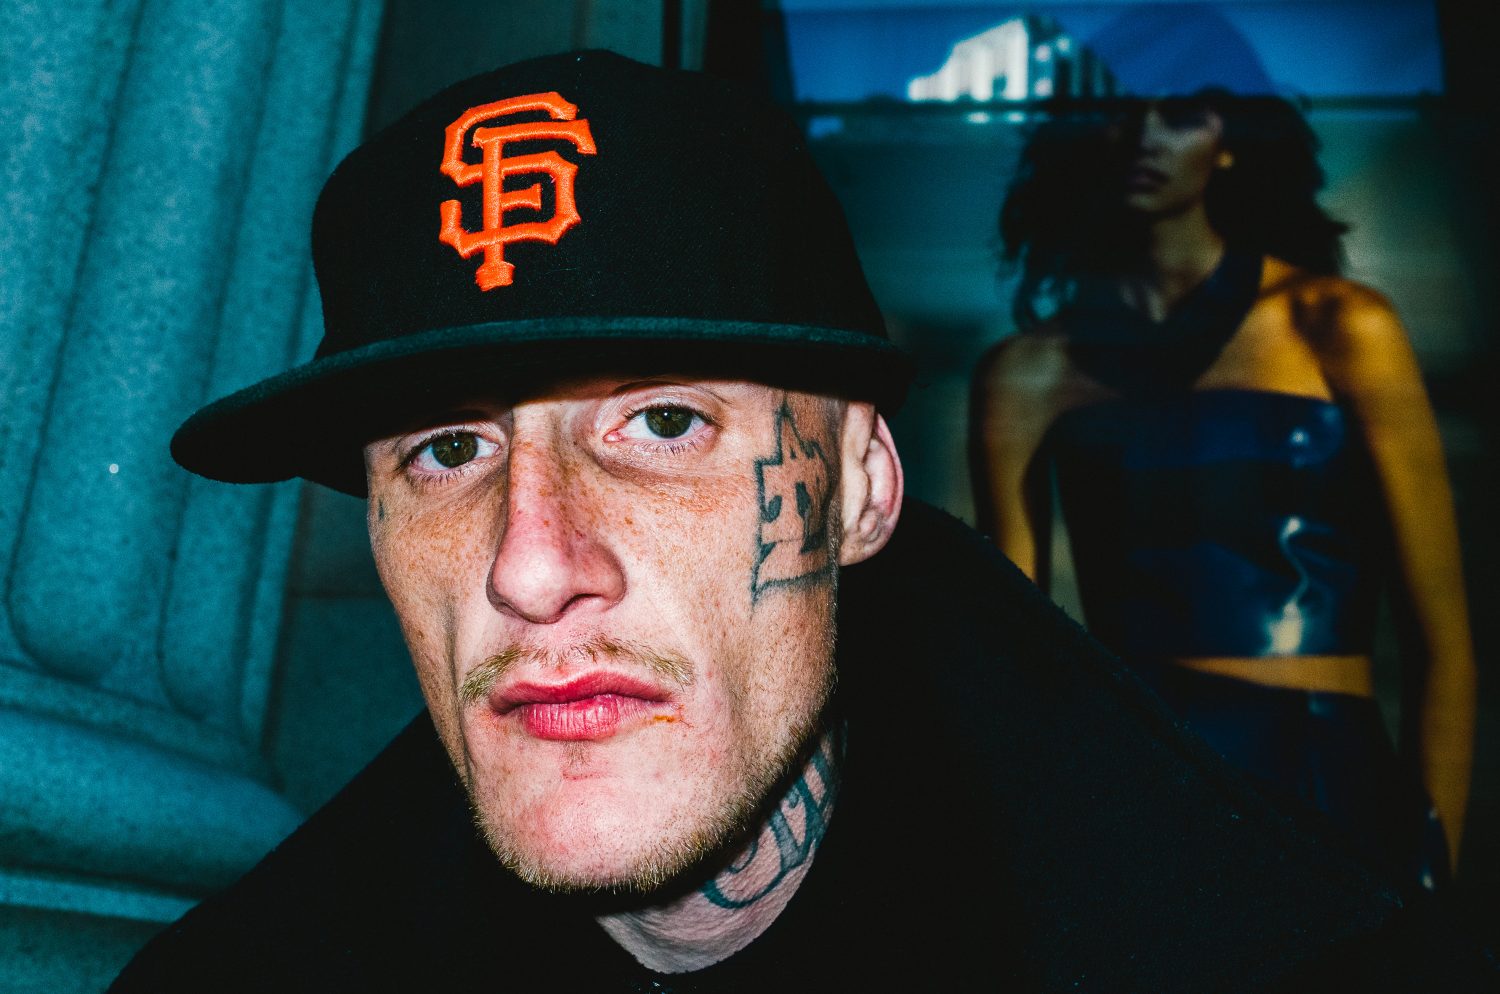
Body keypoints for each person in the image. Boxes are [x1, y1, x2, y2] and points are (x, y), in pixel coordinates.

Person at [110, 53, 1495, 991]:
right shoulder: (260, 964)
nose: (530, 564)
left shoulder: (1274, 951)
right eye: (448, 448)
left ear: (866, 486)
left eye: (664, 423)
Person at [971, 91, 1477, 897]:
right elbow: (1016, 667)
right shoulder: (1028, 371)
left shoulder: (1339, 325)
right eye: (1123, 112)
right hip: (1140, 791)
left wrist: (1433, 880)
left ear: (1231, 141)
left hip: (1322, 782)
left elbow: (1444, 643)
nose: (1144, 136)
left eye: (1180, 114)